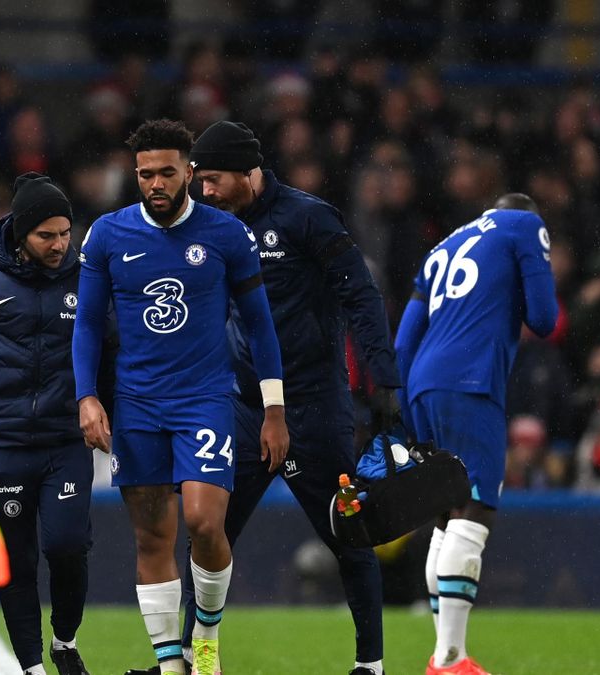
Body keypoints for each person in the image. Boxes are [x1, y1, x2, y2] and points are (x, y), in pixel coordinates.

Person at [73, 119, 288, 675]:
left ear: (189, 172)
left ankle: (207, 638)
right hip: (138, 405)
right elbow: (89, 323)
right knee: (151, 536)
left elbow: (261, 327)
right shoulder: (107, 235)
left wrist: (273, 410)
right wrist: (87, 397)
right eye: (146, 174)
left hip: (205, 400)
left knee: (204, 523)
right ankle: (172, 664)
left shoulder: (225, 235)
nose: (156, 184)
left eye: (167, 172)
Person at [185, 121, 400, 675]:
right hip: (241, 407)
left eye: (212, 180)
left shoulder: (308, 218)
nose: (203, 192)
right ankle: (194, 655)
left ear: (246, 171)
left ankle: (369, 665)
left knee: (348, 535)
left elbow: (361, 296)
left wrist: (385, 381)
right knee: (210, 531)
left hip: (312, 406)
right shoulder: (208, 225)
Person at [395, 193, 558, 675]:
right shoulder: (523, 225)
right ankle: (450, 659)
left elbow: (404, 340)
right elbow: (545, 320)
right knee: (475, 507)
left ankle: (444, 652)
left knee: (447, 515)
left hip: (424, 382)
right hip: (471, 379)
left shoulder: (442, 245)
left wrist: (409, 408)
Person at [0, 173, 95, 675]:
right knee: (16, 562)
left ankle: (64, 641)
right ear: (21, 234)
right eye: (47, 235)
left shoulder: (88, 278)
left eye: (65, 233)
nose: (60, 244)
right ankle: (30, 666)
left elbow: (108, 350)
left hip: (65, 440)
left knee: (66, 546)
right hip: (1, 443)